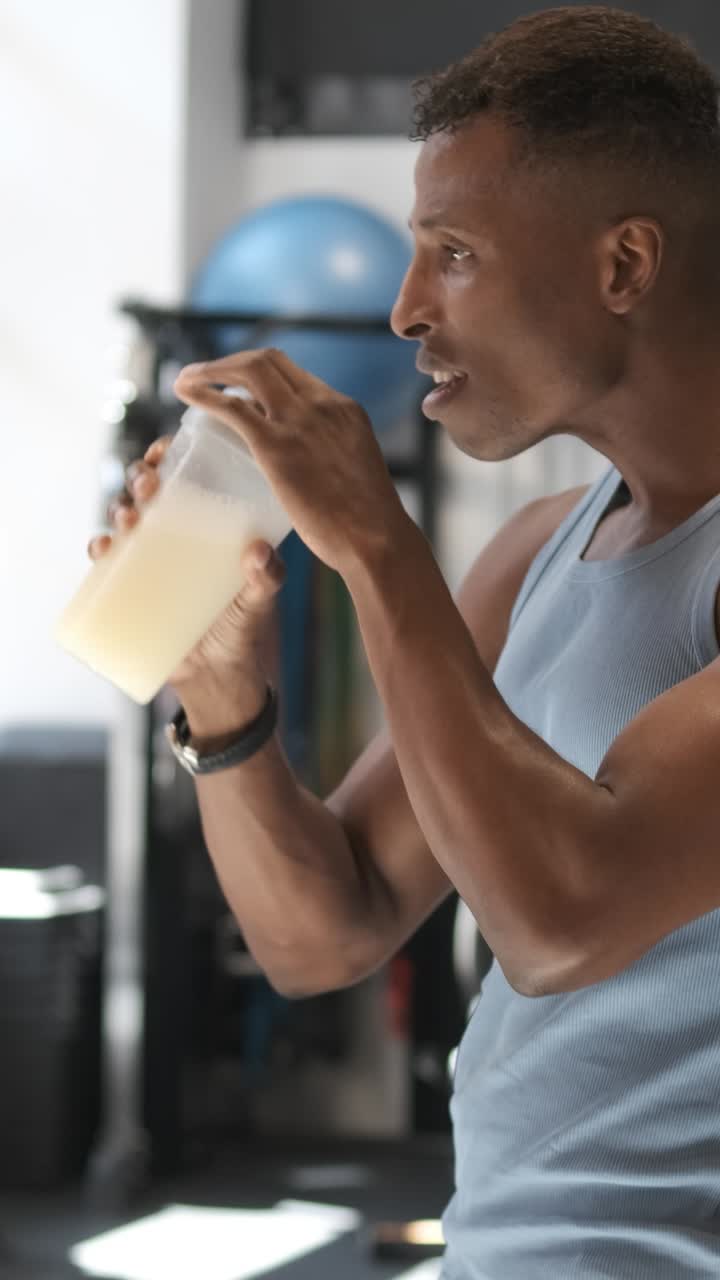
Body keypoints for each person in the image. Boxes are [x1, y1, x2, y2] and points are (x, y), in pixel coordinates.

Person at [91, 6, 720, 1276]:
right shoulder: (537, 550)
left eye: (454, 252)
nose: (402, 308)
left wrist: (378, 544)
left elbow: (559, 919)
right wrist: (227, 701)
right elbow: (327, 930)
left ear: (625, 264)